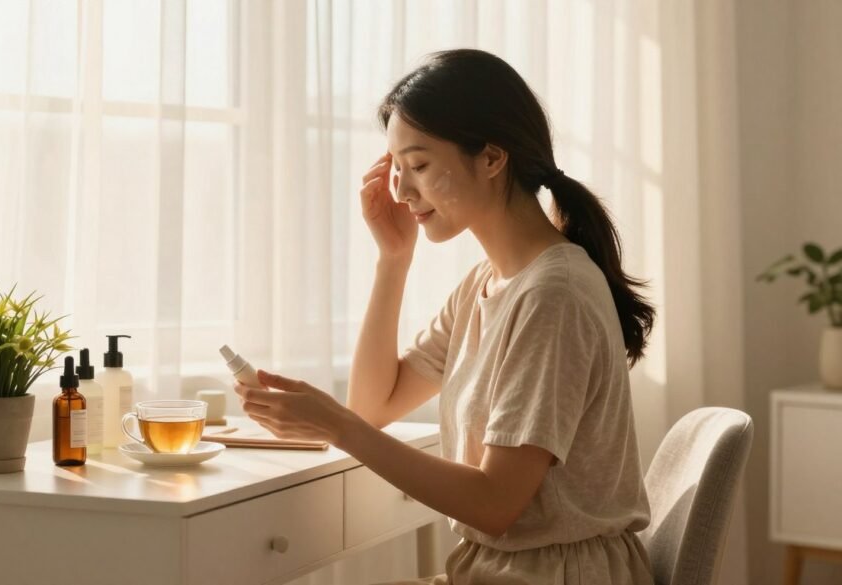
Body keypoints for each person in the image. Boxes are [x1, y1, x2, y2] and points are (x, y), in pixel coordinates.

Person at [234, 48, 656, 585]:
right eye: (397, 169)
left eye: (420, 165)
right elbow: (374, 405)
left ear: (491, 158)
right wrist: (393, 260)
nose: (402, 190)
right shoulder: (486, 283)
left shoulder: (554, 296)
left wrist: (333, 424)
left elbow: (494, 503)